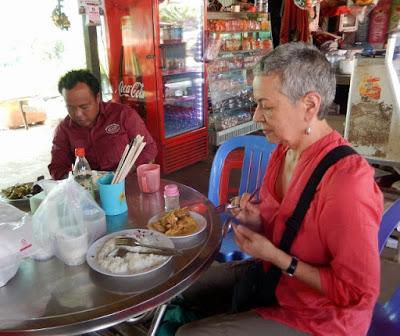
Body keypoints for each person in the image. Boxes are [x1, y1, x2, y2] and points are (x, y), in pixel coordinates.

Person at [176, 42, 383, 335]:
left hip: (320, 318)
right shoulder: (284, 150)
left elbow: (357, 293)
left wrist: (276, 257)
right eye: (257, 103)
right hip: (274, 279)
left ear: (310, 106)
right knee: (182, 285)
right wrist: (257, 221)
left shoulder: (348, 183)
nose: (256, 116)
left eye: (267, 106)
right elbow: (287, 228)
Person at [48, 69, 158, 180]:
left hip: (127, 183)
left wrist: (124, 172)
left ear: (97, 98)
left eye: (84, 107)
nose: (78, 114)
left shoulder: (122, 115)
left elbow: (149, 148)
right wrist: (78, 180)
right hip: (89, 190)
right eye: (70, 107)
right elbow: (57, 168)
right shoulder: (64, 129)